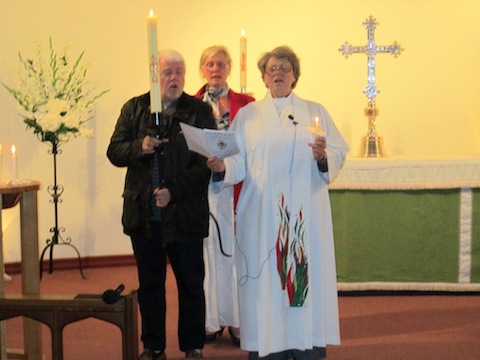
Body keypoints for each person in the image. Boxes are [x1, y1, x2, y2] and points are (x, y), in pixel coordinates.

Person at [207, 46, 349, 359]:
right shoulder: (249, 115)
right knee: (268, 285)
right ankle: (268, 348)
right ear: (263, 76)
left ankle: (307, 345)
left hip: (304, 217)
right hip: (262, 218)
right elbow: (237, 161)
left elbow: (338, 152)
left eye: (285, 68)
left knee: (300, 280)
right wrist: (221, 168)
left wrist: (324, 156)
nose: (278, 73)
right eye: (272, 69)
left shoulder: (316, 111)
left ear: (295, 75)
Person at [107, 49, 216, 360]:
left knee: (191, 284)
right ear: (155, 77)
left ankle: (192, 346)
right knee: (151, 285)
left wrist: (173, 192)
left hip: (185, 213)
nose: (175, 78)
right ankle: (153, 346)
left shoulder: (198, 111)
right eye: (168, 72)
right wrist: (138, 147)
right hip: (145, 214)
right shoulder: (135, 108)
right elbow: (114, 151)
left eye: (179, 72)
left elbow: (203, 164)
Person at [195, 45, 255, 347]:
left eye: (220, 63)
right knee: (208, 256)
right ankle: (210, 320)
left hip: (238, 186)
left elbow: (254, 146)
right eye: (209, 64)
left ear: (229, 68)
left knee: (238, 256)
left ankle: (239, 320)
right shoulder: (189, 104)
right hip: (204, 190)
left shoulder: (248, 104)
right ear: (202, 69)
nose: (215, 69)